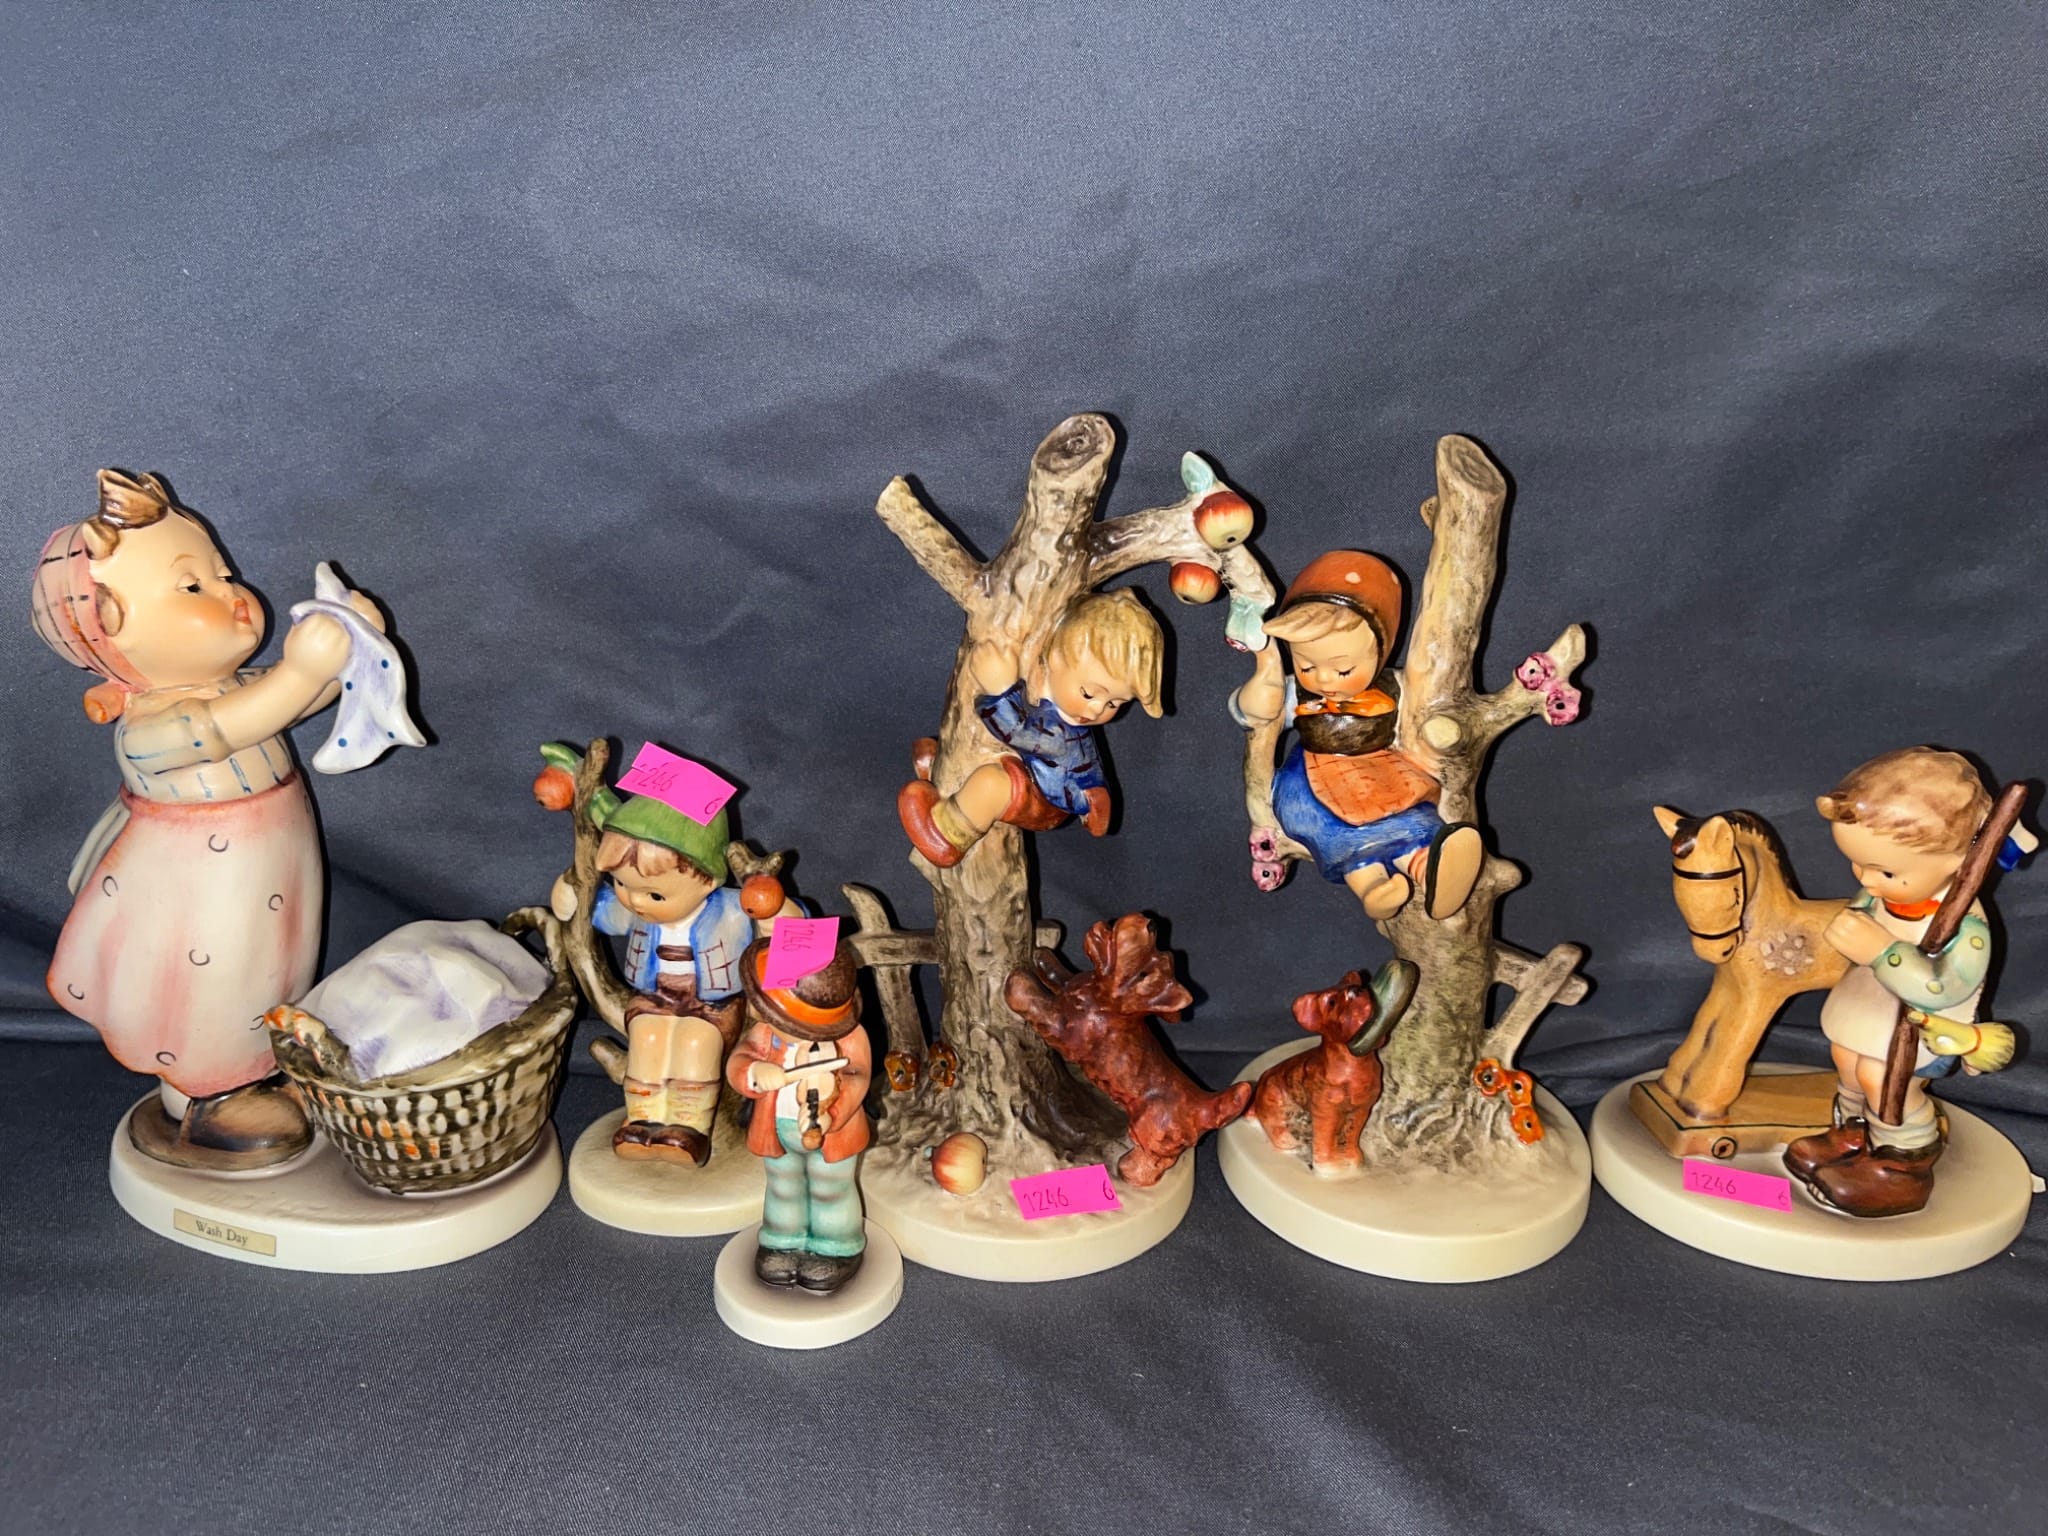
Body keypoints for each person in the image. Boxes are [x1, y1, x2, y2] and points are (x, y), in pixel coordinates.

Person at [32, 468, 382, 1168]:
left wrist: (349, 648)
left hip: (268, 865)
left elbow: (292, 698)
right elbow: (244, 718)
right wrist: (302, 670)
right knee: (215, 982)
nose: (232, 594)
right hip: (200, 888)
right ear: (111, 624)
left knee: (274, 967)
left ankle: (262, 1069)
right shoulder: (150, 729)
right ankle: (203, 1095)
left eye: (222, 574)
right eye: (193, 586)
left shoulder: (229, 686)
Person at [1784, 747, 2032, 1215]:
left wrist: (1882, 952)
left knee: (1879, 1078)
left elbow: (1944, 987)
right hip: (1868, 1011)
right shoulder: (1879, 894)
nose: (1867, 880)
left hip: (1920, 1029)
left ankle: (1902, 1161)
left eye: (1885, 871)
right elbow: (1860, 920)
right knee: (1847, 1061)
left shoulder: (1966, 928)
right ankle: (1852, 1133)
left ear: (1958, 861)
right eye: (1858, 864)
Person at [1232, 550, 1483, 920]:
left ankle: (1429, 867)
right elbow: (1252, 710)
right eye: (1306, 665)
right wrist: (1260, 689)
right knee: (1338, 833)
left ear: (1381, 653)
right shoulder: (1296, 695)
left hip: (1382, 773)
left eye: (1343, 670)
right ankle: (1373, 890)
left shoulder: (1395, 688)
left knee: (1413, 818)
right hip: (1312, 779)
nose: (1323, 679)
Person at [550, 791, 758, 1166]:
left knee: (696, 1042)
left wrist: (774, 903)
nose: (636, 901)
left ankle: (688, 1125)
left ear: (707, 881)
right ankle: (642, 1120)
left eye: (655, 895)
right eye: (622, 884)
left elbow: (781, 923)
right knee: (646, 1038)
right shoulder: (635, 909)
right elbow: (600, 911)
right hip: (655, 996)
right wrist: (569, 892)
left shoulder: (731, 910)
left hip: (712, 1003)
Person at [898, 590, 1163, 867]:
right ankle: (949, 781)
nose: (1096, 709)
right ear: (1056, 658)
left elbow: (1014, 731)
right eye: (1088, 693)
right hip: (1039, 777)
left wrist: (1000, 689)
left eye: (1114, 703)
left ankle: (947, 837)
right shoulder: (1055, 705)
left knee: (992, 783)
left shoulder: (1061, 736)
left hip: (1044, 801)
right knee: (992, 766)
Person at [727, 937, 872, 1294]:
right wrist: (754, 1072)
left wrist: (832, 1113)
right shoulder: (765, 1035)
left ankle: (836, 1245)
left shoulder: (849, 1037)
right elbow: (739, 1063)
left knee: (830, 1188)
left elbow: (857, 1076)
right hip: (776, 1129)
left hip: (831, 1134)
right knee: (783, 1184)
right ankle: (782, 1240)